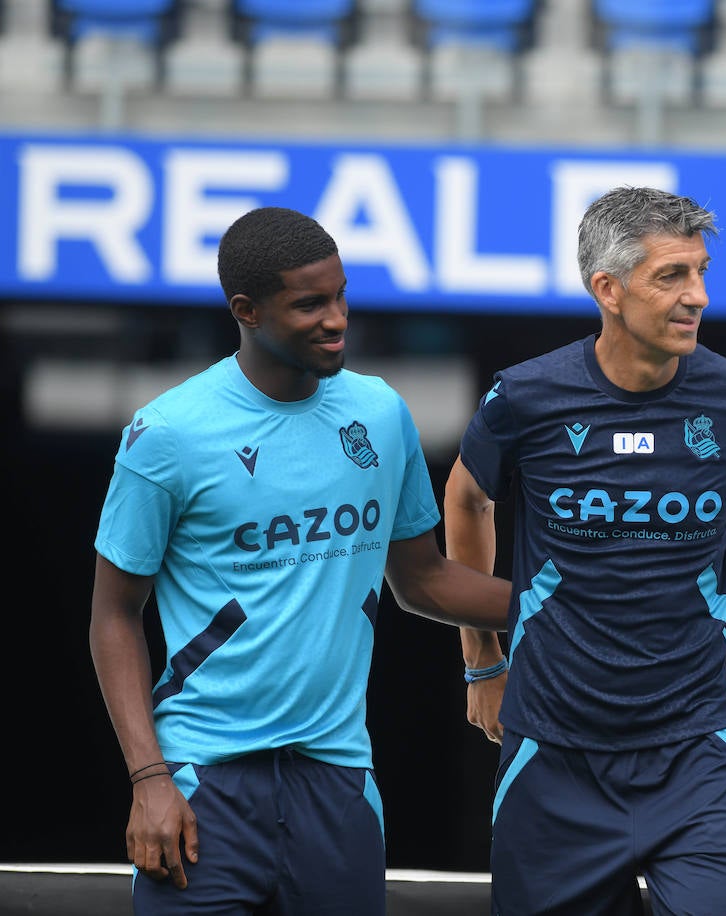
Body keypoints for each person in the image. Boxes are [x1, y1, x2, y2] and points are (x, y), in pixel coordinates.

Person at [89, 206, 511, 915]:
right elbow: (113, 618)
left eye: (342, 295)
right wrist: (148, 779)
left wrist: (566, 601)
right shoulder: (167, 435)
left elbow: (424, 582)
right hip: (202, 784)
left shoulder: (379, 413)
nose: (336, 317)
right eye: (310, 304)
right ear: (246, 311)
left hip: (338, 782)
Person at [443, 185, 726, 915]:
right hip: (551, 755)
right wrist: (482, 660)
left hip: (695, 750)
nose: (698, 296)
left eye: (701, 272)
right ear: (607, 290)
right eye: (671, 276)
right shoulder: (525, 397)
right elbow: (466, 500)